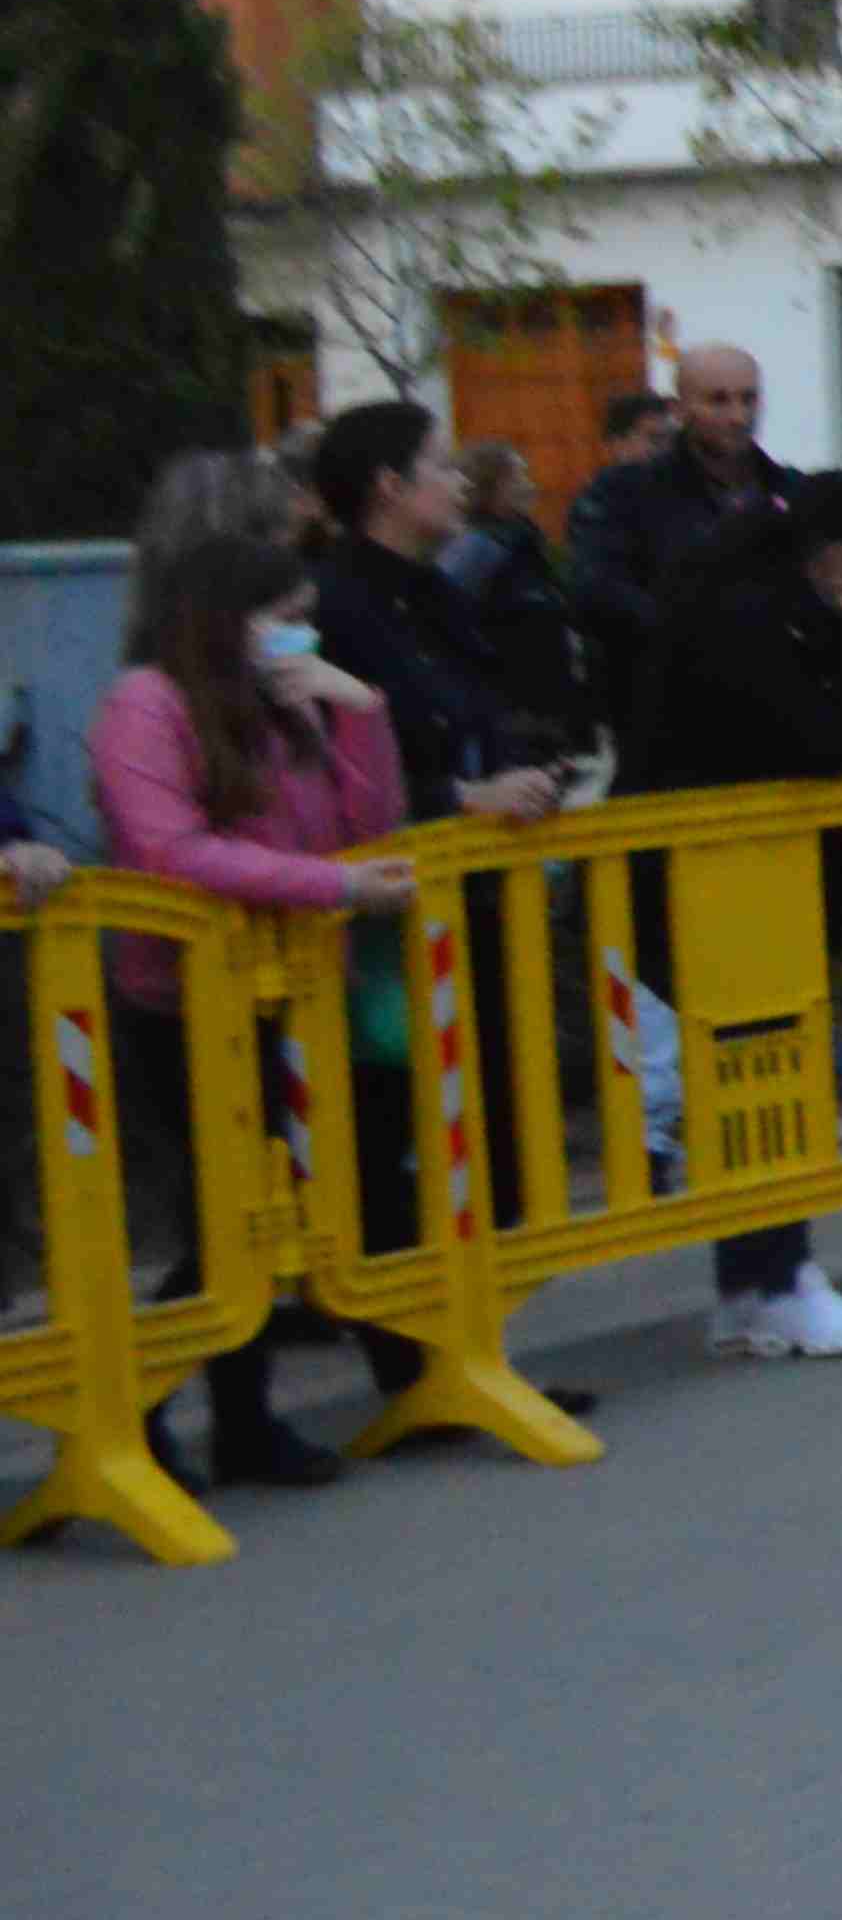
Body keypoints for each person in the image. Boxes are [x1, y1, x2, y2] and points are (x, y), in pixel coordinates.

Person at [92, 528, 434, 1488]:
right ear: (221, 620)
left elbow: (368, 827)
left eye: (306, 621)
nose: (300, 639)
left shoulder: (288, 706)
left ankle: (246, 1425)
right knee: (221, 1221)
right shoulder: (146, 706)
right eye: (283, 622)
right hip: (183, 998)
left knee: (269, 1213)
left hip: (296, 986)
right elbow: (170, 850)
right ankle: (137, 1408)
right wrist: (328, 891)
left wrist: (360, 713)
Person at [626, 473, 842, 1355]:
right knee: (756, 1079)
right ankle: (772, 1277)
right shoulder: (744, 618)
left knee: (768, 1075)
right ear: (839, 555)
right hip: (719, 880)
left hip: (761, 884)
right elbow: (825, 743)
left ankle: (761, 1281)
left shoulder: (785, 611)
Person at [303, 403, 575, 833]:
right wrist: (459, 797)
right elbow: (323, 769)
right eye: (444, 466)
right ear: (390, 485)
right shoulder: (328, 607)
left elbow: (475, 713)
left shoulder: (438, 594)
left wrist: (528, 770)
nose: (462, 483)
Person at [566, 343, 794, 724]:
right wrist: (700, 638)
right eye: (718, 401)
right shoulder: (624, 494)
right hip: (667, 724)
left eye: (749, 399)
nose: (739, 416)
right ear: (679, 409)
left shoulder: (789, 491)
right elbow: (596, 593)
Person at [432, 436, 604, 769]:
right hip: (508, 711)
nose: (529, 486)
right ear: (488, 486)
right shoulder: (477, 547)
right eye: (517, 478)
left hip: (545, 705)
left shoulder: (524, 540)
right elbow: (449, 615)